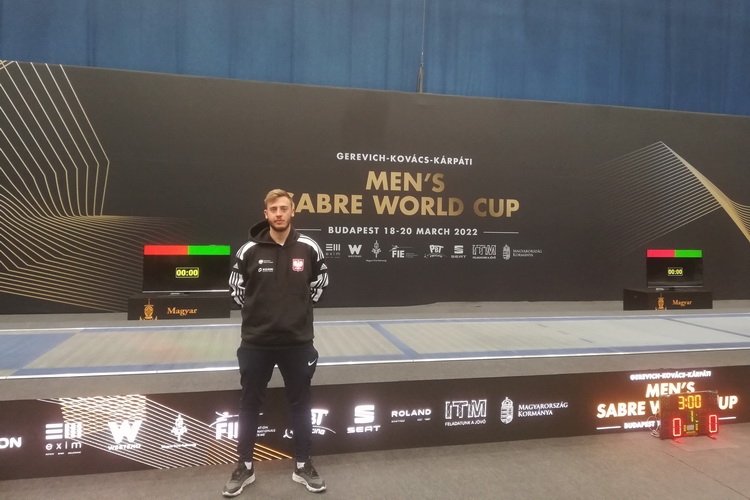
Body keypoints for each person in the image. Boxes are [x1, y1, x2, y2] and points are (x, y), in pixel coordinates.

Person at [223, 188, 329, 497]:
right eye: (274, 209)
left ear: (292, 211)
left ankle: (303, 464)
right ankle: (245, 466)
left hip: (298, 342)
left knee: (301, 403)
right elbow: (237, 291)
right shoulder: (249, 250)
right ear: (266, 214)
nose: (279, 213)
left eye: (284, 208)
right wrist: (261, 315)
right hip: (256, 342)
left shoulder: (309, 247)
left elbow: (319, 284)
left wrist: (295, 312)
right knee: (249, 404)